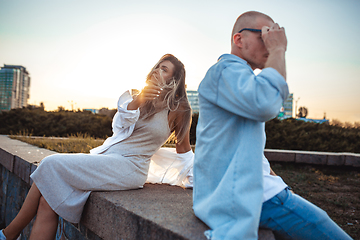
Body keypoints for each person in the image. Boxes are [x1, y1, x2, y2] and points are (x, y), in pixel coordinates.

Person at [193, 11, 353, 240]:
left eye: (274, 36)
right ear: (239, 40)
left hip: (250, 191)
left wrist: (275, 177)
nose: (271, 42)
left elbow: (242, 139)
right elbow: (266, 103)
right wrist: (278, 50)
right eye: (266, 35)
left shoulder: (237, 76)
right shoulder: (225, 71)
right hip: (252, 197)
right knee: (323, 226)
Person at [1, 54, 194, 240]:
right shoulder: (137, 96)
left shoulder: (180, 109)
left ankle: (9, 234)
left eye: (164, 69)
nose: (156, 70)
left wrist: (197, 178)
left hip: (131, 167)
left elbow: (183, 148)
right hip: (106, 158)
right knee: (47, 201)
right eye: (157, 66)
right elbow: (119, 127)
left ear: (174, 79)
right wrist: (139, 100)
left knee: (50, 163)